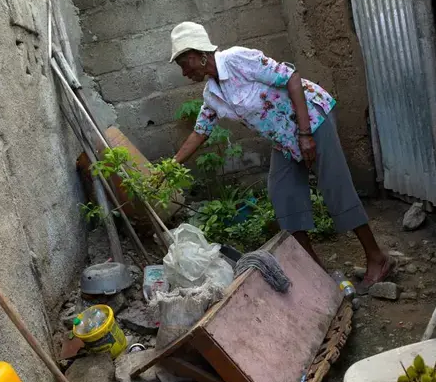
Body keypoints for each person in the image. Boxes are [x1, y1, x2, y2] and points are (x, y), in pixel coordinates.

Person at [167, 22, 393, 288]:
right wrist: (168, 169)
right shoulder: (212, 93)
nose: (184, 72)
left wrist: (306, 133)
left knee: (335, 186)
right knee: (283, 195)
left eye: (184, 63)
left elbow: (291, 77)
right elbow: (200, 132)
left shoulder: (237, 59)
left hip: (310, 119)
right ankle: (319, 276)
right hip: (283, 139)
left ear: (199, 54)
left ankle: (377, 257)